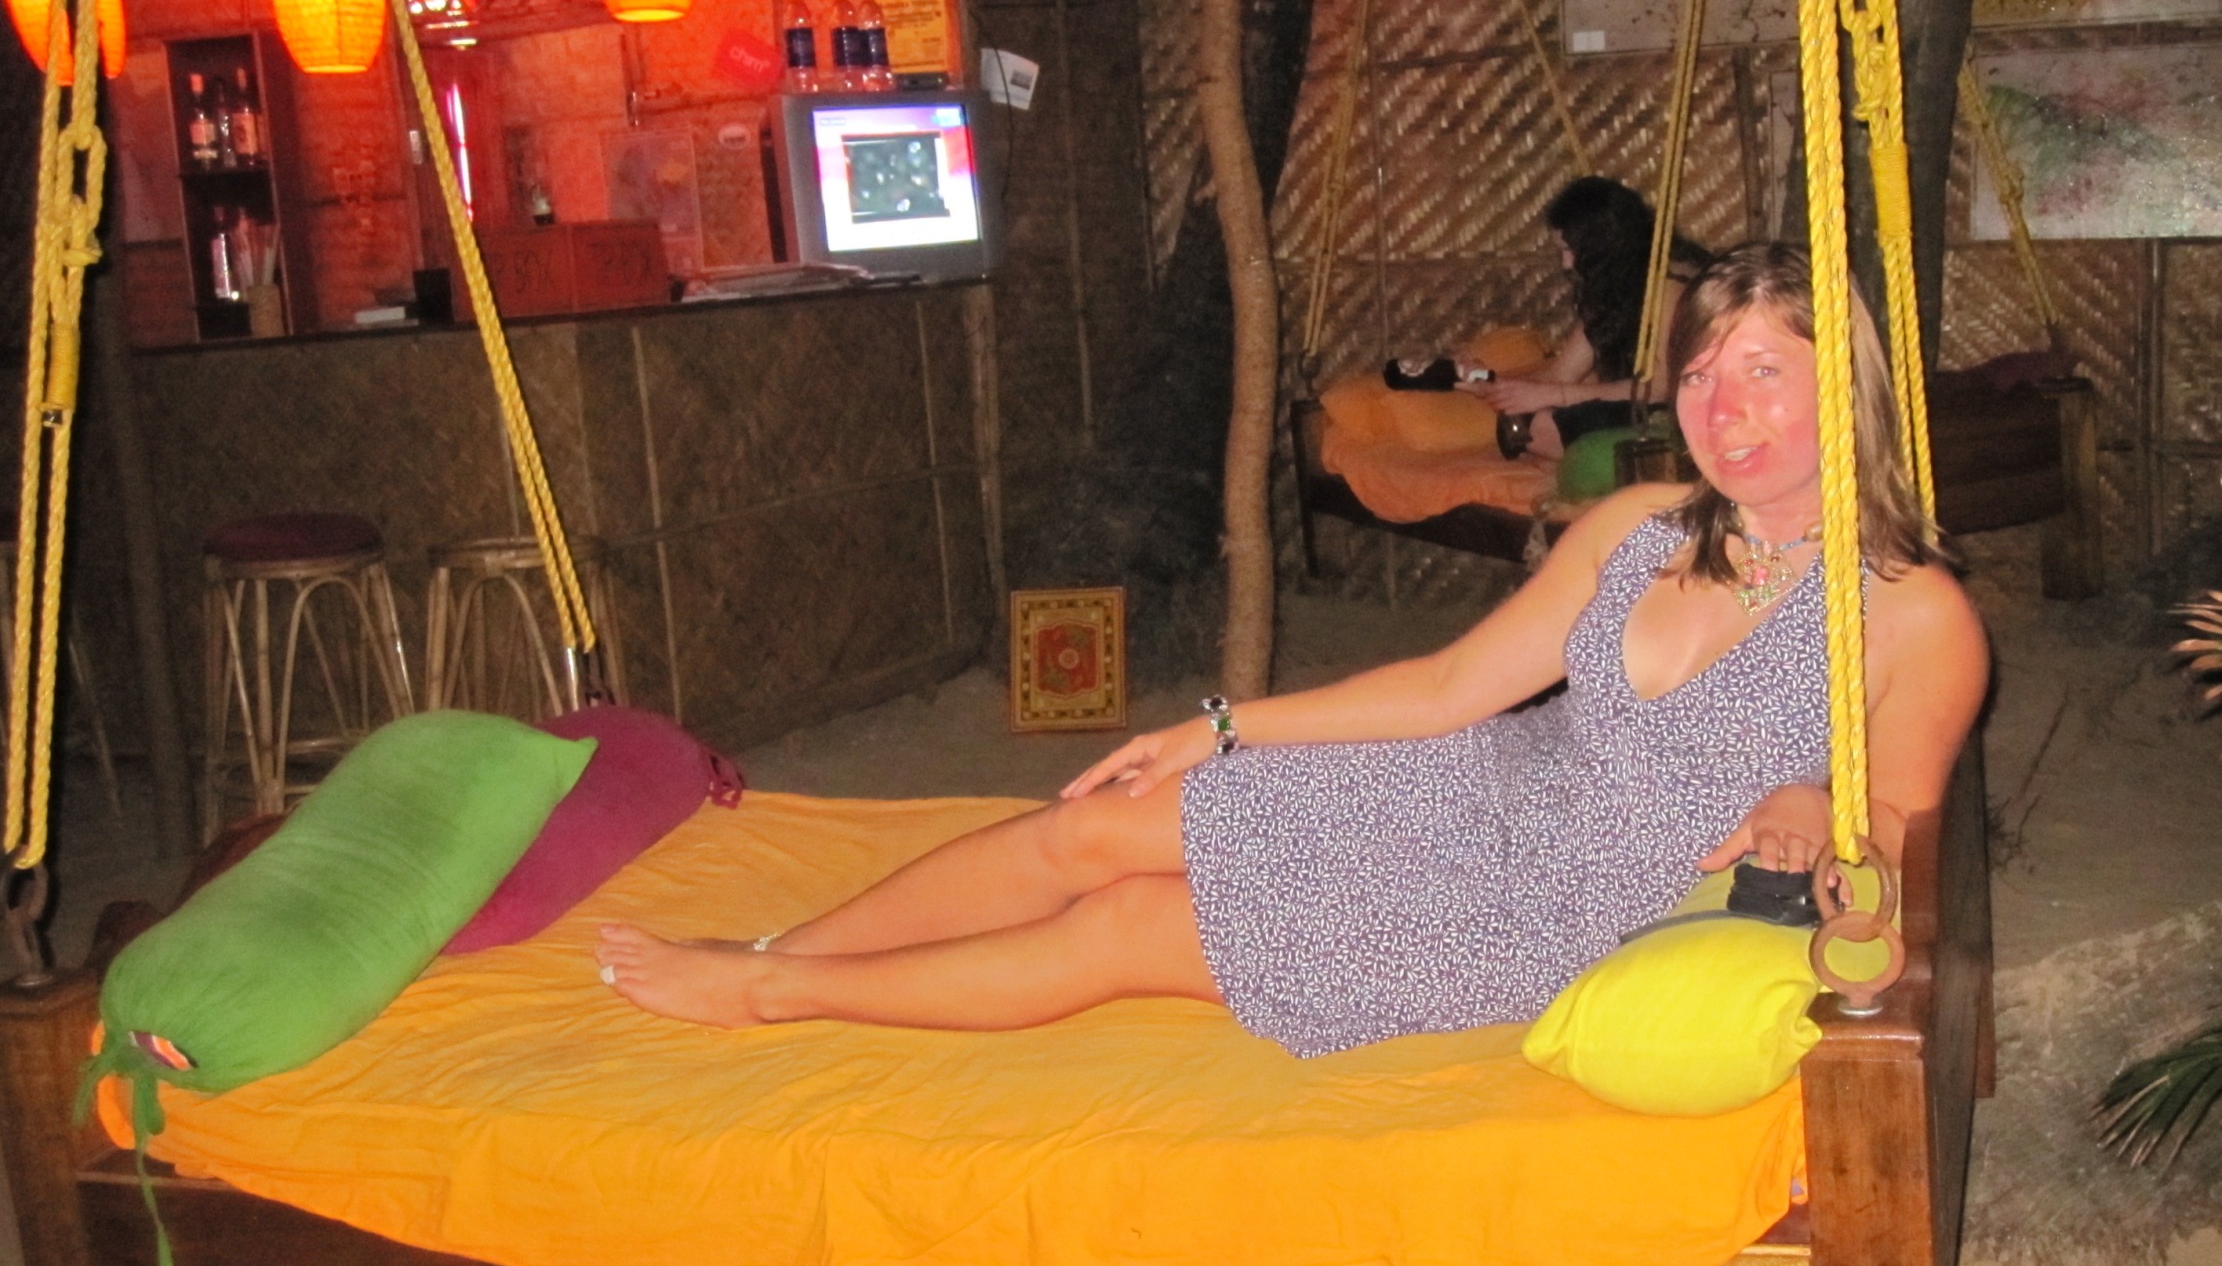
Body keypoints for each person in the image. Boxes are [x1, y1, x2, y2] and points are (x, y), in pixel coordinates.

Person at [596, 244, 1988, 1051]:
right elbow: (1449, 688)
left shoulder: (1910, 611)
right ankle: (778, 941)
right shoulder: (1637, 525)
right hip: (1479, 789)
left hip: (1561, 909)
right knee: (1098, 824)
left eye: (1763, 372)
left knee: (1120, 928)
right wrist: (1214, 727)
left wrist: (1818, 800)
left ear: (1843, 384)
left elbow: (1898, 841)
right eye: (1698, 374)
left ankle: (772, 994)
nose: (1721, 409)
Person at [1467, 176, 1713, 459]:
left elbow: (1657, 389)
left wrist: (1553, 396)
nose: (1566, 263)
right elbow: (1561, 373)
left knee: (1542, 423)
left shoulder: (1670, 283)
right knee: (1525, 413)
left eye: (1570, 250)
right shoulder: (1610, 280)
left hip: (1680, 409)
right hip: (1635, 400)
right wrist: (1485, 379)